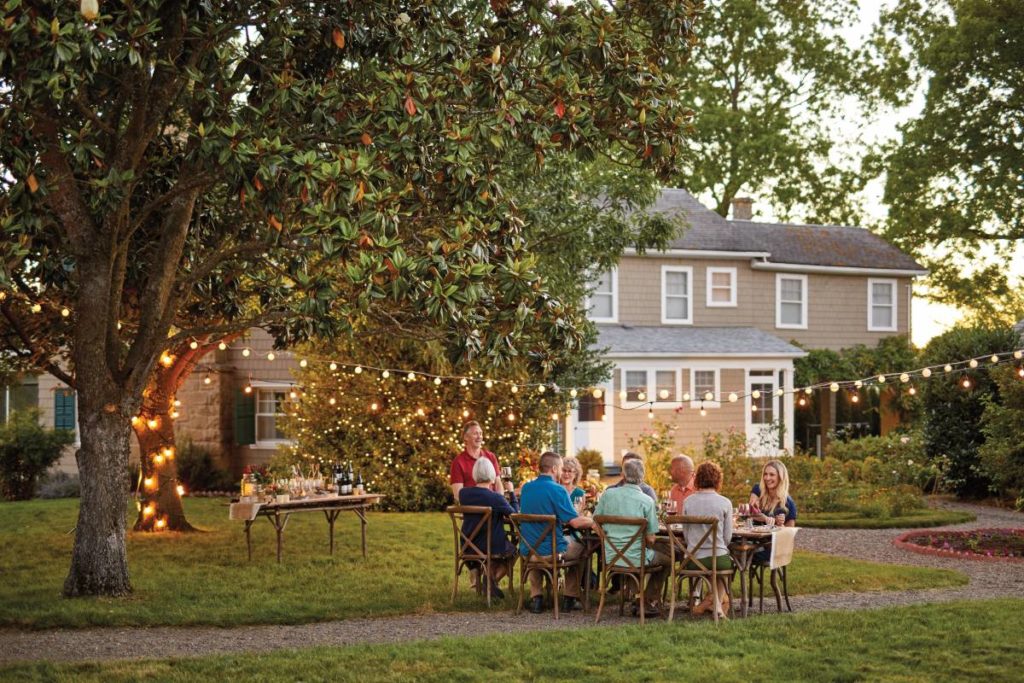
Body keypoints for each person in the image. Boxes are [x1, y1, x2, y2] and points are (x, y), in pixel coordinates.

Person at [594, 458, 672, 617]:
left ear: (622, 474)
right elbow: (650, 539)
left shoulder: (608, 495)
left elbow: (595, 524)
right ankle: (646, 600)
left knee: (637, 554)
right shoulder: (647, 501)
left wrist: (606, 540)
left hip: (611, 557)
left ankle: (638, 599)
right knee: (669, 559)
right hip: (636, 558)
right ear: (642, 477)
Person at [518, 451, 594, 614]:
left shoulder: (526, 488)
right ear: (553, 469)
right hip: (552, 552)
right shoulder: (558, 490)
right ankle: (569, 597)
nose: (562, 472)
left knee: (535, 544)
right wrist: (594, 522)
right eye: (560, 468)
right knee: (583, 548)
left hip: (527, 552)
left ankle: (536, 598)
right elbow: (574, 521)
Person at [458, 458, 518, 600]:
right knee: (514, 551)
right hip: (490, 547)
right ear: (492, 476)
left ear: (475, 474)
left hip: (468, 545)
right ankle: (491, 581)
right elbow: (515, 515)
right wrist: (512, 493)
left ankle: (487, 582)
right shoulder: (495, 498)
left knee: (498, 547)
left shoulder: (463, 494)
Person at [682, 461, 733, 618]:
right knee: (724, 563)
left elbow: (686, 534)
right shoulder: (725, 503)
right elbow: (727, 537)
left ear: (697, 479)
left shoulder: (687, 502)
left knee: (715, 561)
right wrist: (717, 547)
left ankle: (713, 603)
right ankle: (717, 605)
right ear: (718, 480)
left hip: (693, 559)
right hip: (718, 557)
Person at [450, 421, 507, 498]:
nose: (479, 436)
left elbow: (498, 483)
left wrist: (500, 500)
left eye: (480, 433)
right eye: (475, 434)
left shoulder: (491, 456)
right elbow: (458, 496)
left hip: (493, 504)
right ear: (466, 437)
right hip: (473, 507)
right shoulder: (458, 462)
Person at [748, 459, 798, 527]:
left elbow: (789, 533)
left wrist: (780, 524)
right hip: (752, 536)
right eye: (765, 474)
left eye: (772, 475)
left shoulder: (789, 503)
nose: (767, 478)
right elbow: (751, 512)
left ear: (780, 477)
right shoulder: (758, 489)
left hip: (771, 537)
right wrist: (766, 519)